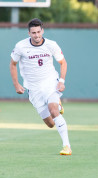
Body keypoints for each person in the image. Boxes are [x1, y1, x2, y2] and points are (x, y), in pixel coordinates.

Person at [9, 18, 72, 155]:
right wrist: (16, 84)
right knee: (50, 124)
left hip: (50, 82)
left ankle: (67, 146)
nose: (37, 35)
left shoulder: (51, 45)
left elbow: (63, 62)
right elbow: (12, 64)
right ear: (28, 33)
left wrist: (61, 81)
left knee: (53, 110)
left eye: (39, 32)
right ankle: (58, 106)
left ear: (42, 30)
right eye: (33, 33)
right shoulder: (21, 46)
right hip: (33, 88)